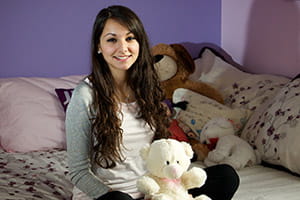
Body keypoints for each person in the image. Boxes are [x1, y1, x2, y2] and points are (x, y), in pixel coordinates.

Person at [66, 5, 239, 200]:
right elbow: (78, 172)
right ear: (98, 46)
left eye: (130, 38)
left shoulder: (147, 87)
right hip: (110, 196)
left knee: (226, 176)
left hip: (154, 193)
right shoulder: (85, 94)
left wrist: (175, 187)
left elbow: (159, 152)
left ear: (139, 43)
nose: (123, 48)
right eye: (112, 40)